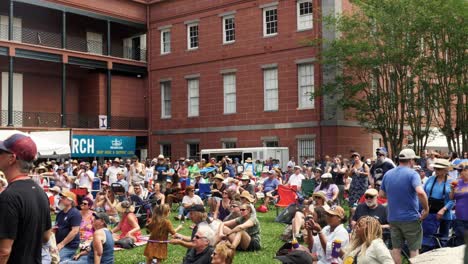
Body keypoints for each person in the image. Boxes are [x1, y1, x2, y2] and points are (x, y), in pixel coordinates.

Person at [0, 133, 52, 264]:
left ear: (12, 158)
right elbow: (46, 236)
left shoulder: (9, 196)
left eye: (1, 152)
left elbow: (4, 252)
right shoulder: (40, 192)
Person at [379, 148, 429, 264]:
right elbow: (420, 192)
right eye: (414, 161)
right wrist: (426, 209)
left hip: (393, 218)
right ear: (411, 160)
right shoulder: (412, 174)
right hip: (410, 218)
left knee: (396, 249)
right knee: (414, 249)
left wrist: (395, 196)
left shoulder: (388, 174)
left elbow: (381, 194)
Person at [423, 159, 454, 238]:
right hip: (429, 214)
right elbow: (424, 194)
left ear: (446, 170)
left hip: (444, 215)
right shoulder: (430, 179)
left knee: (442, 240)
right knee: (427, 238)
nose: (436, 170)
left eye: (439, 169)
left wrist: (443, 210)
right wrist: (423, 207)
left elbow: (453, 200)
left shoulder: (451, 182)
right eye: (435, 168)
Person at [55, 190, 82, 262]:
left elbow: (74, 231)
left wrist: (61, 244)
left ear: (70, 201)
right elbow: (56, 228)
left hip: (69, 246)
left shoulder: (75, 213)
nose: (61, 199)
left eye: (63, 198)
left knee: (56, 259)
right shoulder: (60, 213)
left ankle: (70, 259)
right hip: (59, 244)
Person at [449, 162, 468, 246]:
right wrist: (452, 189)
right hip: (459, 217)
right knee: (460, 240)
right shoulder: (458, 182)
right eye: (459, 171)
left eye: (462, 171)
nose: (460, 173)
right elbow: (451, 198)